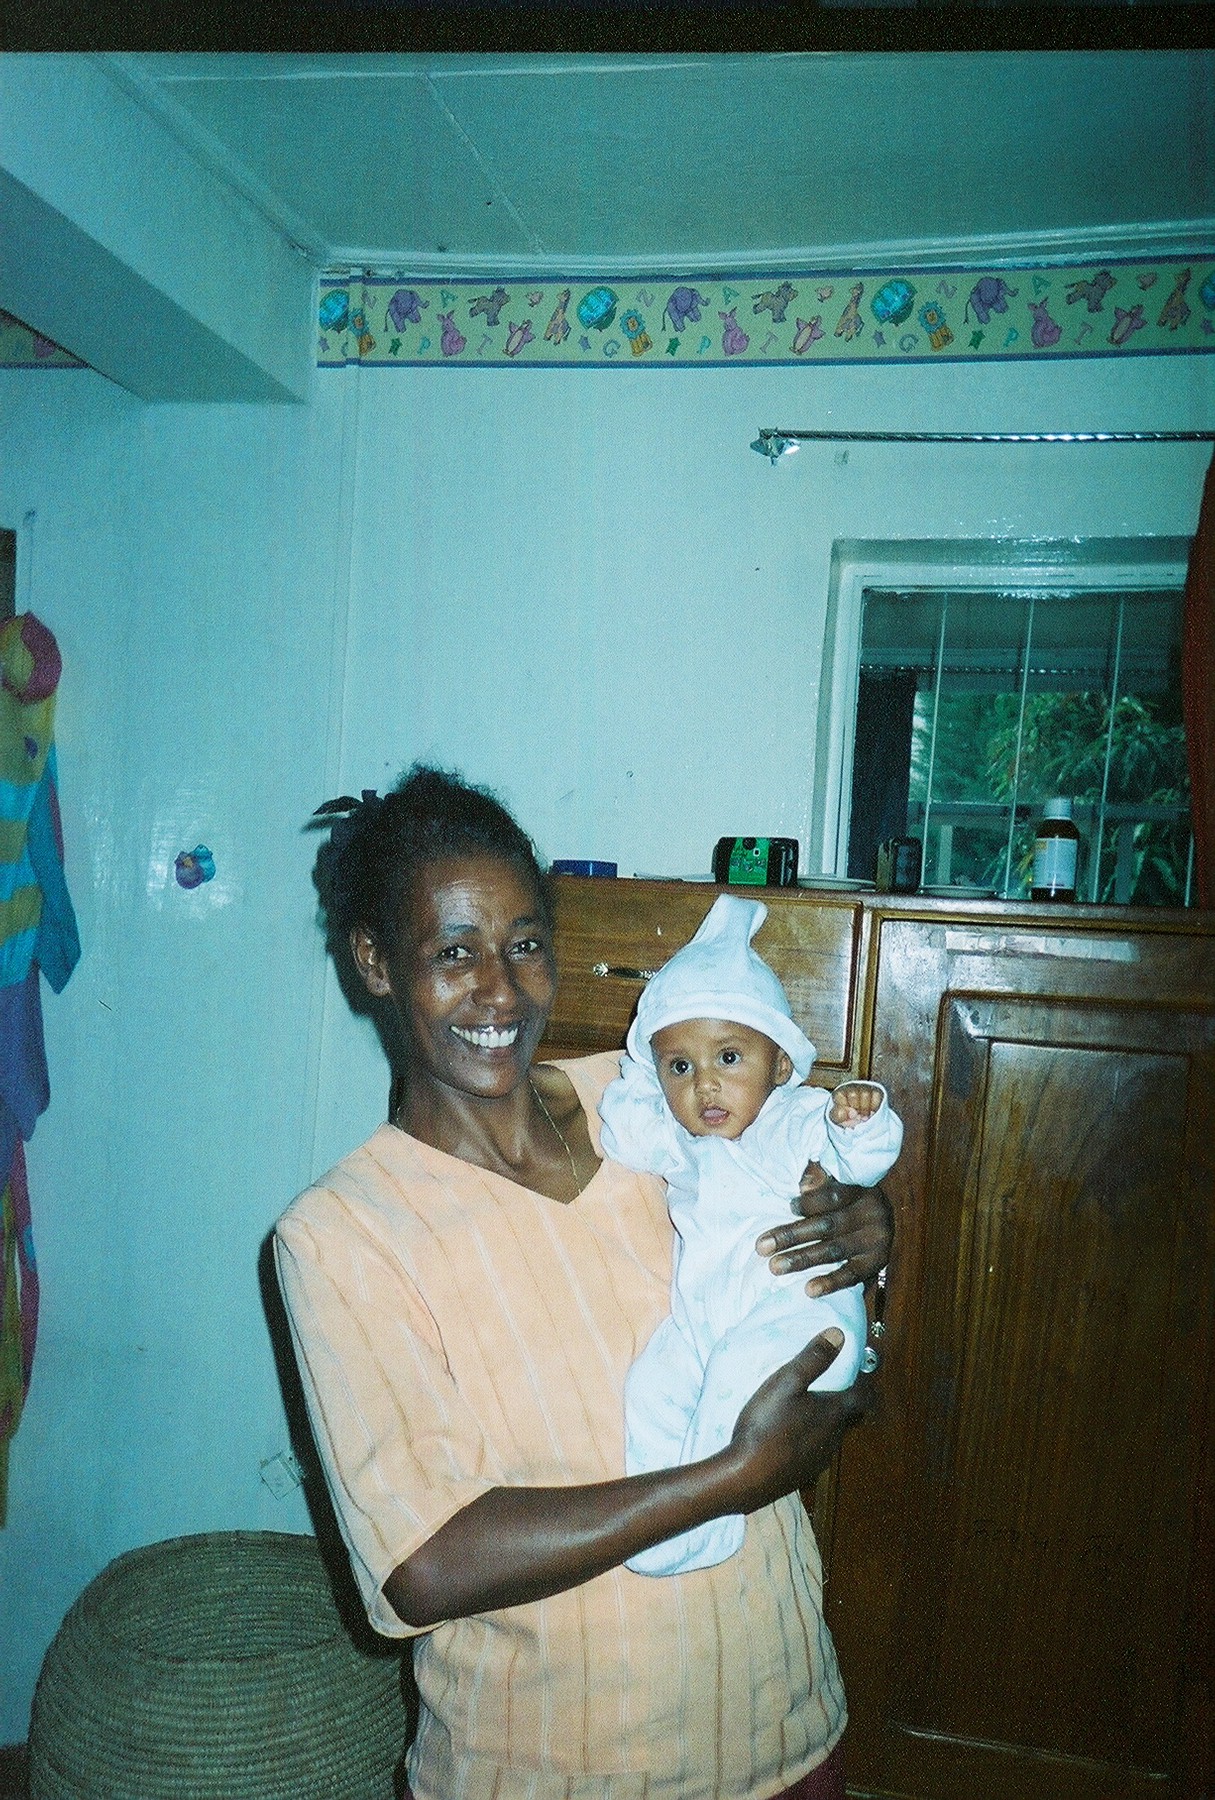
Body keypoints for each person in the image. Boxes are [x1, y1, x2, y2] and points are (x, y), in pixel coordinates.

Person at [274, 765, 894, 1800]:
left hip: (784, 1726)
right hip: (554, 1769)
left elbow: (806, 1193)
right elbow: (424, 1566)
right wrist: (730, 1478)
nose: (500, 990)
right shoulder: (344, 1235)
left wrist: (865, 1227)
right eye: (454, 953)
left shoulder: (653, 1098)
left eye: (524, 945)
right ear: (375, 962)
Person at [599, 892, 902, 1577]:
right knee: (651, 1387)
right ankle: (657, 1517)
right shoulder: (684, 1141)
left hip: (800, 1322)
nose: (704, 1084)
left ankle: (709, 1525)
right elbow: (626, 1131)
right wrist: (641, 1068)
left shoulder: (787, 1120)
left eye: (729, 1057)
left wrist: (859, 1118)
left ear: (781, 1066)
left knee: (735, 1378)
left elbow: (856, 1159)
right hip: (707, 1323)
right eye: (679, 1066)